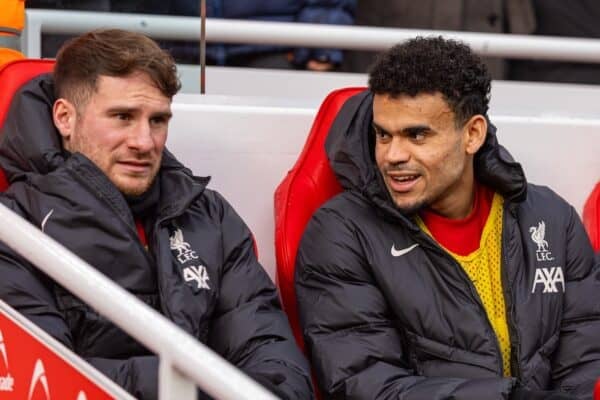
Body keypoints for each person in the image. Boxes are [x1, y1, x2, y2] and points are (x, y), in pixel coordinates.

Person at [0, 29, 313, 400]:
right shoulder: (14, 227)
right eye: (122, 117)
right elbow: (48, 380)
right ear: (65, 118)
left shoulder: (208, 215)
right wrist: (195, 384)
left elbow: (277, 365)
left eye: (158, 120)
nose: (144, 142)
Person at [295, 36, 599, 399]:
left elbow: (587, 364)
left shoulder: (551, 218)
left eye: (417, 135)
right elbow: (366, 384)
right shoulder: (340, 233)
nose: (392, 155)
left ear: (472, 134)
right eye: (382, 135)